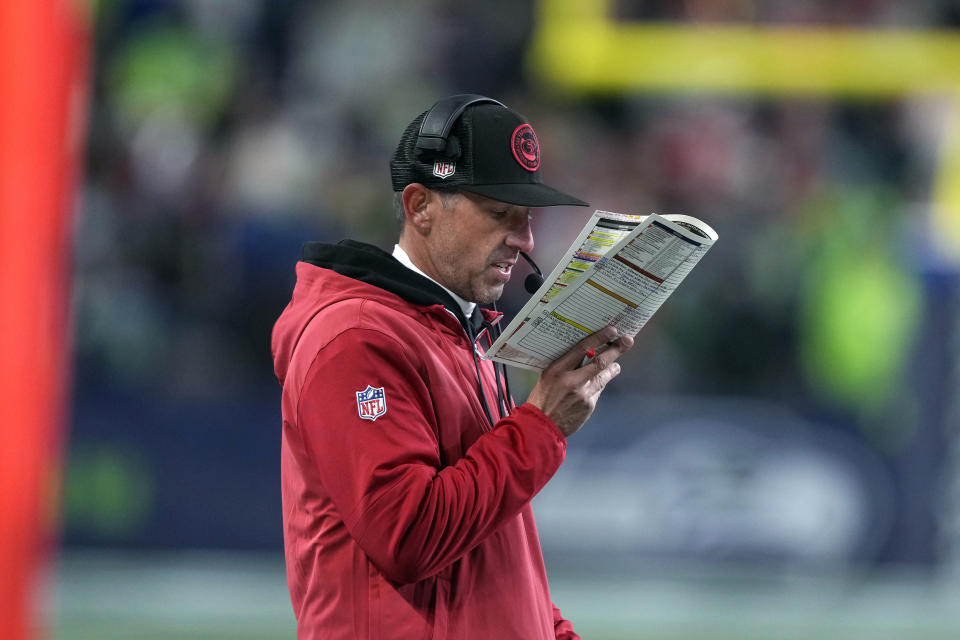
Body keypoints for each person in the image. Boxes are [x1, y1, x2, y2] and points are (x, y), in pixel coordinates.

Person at [271, 95, 633, 639]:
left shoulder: (461, 332)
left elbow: (494, 554)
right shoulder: (355, 338)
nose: (524, 240)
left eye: (527, 217)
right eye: (498, 214)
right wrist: (540, 425)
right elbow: (409, 535)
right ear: (419, 206)